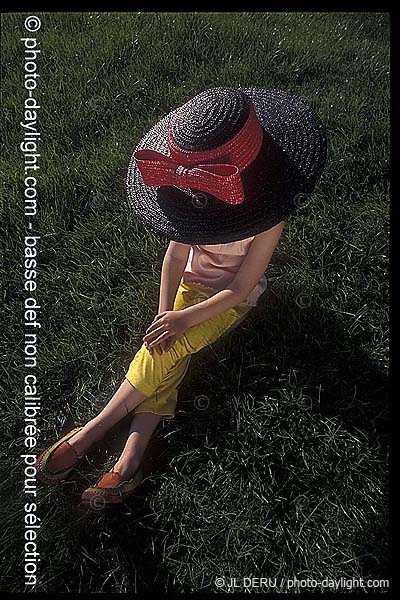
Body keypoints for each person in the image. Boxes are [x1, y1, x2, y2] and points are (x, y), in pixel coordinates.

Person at [35, 86, 326, 505]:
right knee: (169, 352)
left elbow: (240, 287)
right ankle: (130, 461)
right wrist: (165, 313)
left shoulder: (268, 217)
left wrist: (183, 320)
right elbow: (175, 256)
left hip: (229, 301)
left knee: (167, 350)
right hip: (191, 289)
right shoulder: (194, 200)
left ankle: (92, 431)